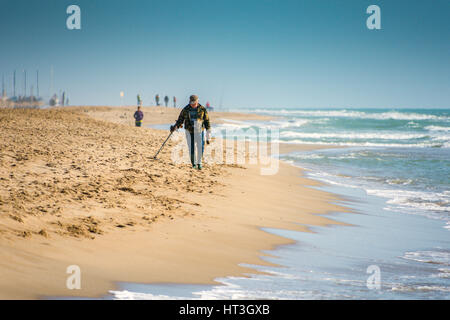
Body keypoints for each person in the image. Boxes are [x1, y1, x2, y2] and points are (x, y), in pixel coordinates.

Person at [170, 95, 211, 170]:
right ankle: (194, 164)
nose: (192, 104)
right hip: (189, 131)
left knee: (200, 147)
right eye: (191, 102)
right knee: (191, 148)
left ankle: (199, 163)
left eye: (194, 103)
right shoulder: (186, 109)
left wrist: (208, 133)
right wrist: (175, 126)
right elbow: (180, 119)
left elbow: (207, 121)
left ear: (197, 101)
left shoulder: (202, 109)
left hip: (199, 131)